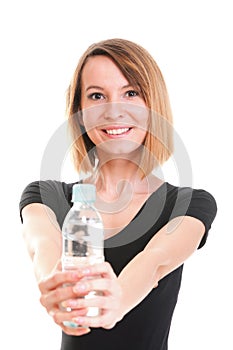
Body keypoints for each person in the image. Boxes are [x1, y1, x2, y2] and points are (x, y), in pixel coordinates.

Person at [19, 38, 217, 350]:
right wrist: (55, 285)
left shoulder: (190, 204)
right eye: (97, 96)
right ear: (80, 113)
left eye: (130, 93)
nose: (114, 111)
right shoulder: (46, 197)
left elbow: (155, 262)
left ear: (153, 106)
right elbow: (43, 248)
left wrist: (116, 301)